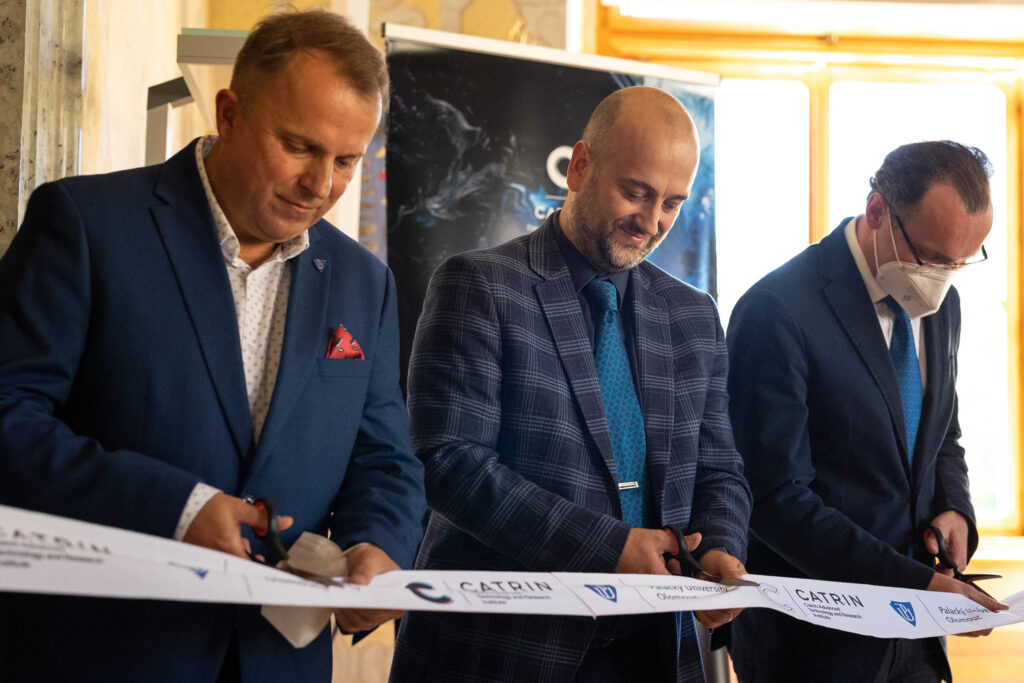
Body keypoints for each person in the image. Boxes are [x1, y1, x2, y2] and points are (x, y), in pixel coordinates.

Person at [0, 9, 425, 682]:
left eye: (346, 160)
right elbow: (9, 417)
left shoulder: (364, 282)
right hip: (103, 653)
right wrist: (177, 508)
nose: (321, 185)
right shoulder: (85, 225)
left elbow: (384, 457)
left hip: (279, 662)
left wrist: (379, 542)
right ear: (229, 113)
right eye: (300, 147)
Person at [390, 86, 752, 683]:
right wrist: (609, 549)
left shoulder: (693, 315)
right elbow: (449, 463)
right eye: (636, 192)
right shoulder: (478, 285)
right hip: (502, 653)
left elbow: (719, 468)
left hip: (655, 653)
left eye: (672, 203)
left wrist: (720, 547)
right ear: (580, 165)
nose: (651, 222)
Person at [726, 140, 1007, 682]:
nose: (943, 278)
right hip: (815, 643)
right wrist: (916, 584)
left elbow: (940, 433)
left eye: (960, 262)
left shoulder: (943, 303)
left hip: (918, 638)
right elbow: (774, 498)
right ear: (877, 210)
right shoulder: (777, 309)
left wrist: (955, 509)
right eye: (932, 257)